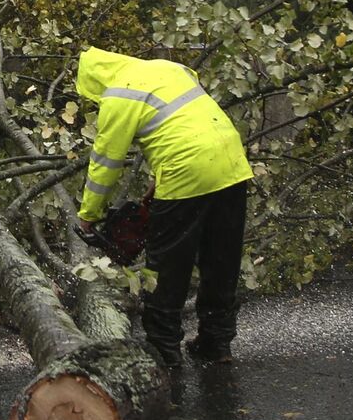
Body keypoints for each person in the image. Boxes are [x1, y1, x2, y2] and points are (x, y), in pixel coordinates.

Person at [71, 46, 252, 369]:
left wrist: (89, 216)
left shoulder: (118, 95)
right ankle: (217, 341)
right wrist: (158, 179)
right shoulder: (169, 69)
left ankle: (164, 350)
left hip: (186, 173)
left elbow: (106, 163)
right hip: (233, 164)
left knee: (167, 265)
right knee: (220, 259)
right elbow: (185, 123)